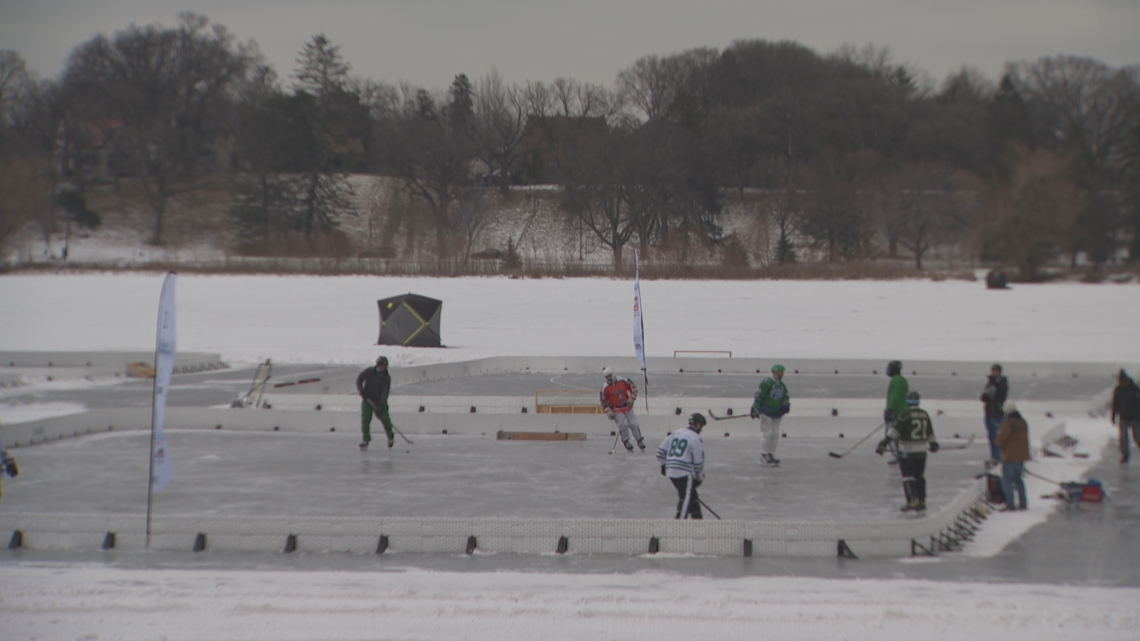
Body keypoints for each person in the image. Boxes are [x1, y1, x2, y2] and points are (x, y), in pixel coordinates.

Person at [876, 391, 939, 512]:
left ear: (907, 401)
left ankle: (911, 502)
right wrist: (933, 444)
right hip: (921, 452)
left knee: (907, 477)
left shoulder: (904, 415)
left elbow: (894, 432)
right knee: (919, 476)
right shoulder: (924, 414)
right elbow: (930, 433)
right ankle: (921, 501)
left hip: (907, 452)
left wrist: (883, 443)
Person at [656, 413, 706, 519]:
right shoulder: (695, 438)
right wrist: (699, 478)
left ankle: (698, 520)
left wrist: (663, 466)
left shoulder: (676, 432)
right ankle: (679, 524)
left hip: (671, 471)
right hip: (684, 473)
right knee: (685, 500)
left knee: (692, 496)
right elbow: (698, 463)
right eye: (701, 425)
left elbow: (660, 452)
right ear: (697, 425)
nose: (701, 428)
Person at [750, 364, 791, 466]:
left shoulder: (781, 385)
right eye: (779, 372)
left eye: (782, 372)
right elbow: (759, 395)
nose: (781, 374)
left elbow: (785, 396)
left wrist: (785, 405)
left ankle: (771, 454)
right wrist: (755, 407)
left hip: (776, 413)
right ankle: (764, 454)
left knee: (775, 433)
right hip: (766, 411)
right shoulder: (767, 382)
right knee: (768, 433)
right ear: (774, 373)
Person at [994, 400, 1029, 511]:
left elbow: (1000, 440)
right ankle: (1023, 503)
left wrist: (997, 438)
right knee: (1019, 479)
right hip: (1021, 457)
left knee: (1007, 480)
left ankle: (1010, 504)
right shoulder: (1023, 422)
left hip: (1009, 457)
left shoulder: (1008, 423)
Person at [599, 367, 645, 452]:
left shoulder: (623, 380)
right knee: (623, 425)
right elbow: (603, 399)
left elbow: (633, 387)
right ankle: (626, 441)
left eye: (610, 376)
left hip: (627, 406)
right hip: (616, 409)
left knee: (633, 423)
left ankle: (639, 440)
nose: (609, 378)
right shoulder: (605, 387)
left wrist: (632, 397)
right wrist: (607, 410)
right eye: (607, 377)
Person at [356, 356, 396, 450]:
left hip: (379, 402)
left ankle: (390, 437)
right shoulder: (369, 372)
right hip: (368, 400)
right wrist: (362, 391)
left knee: (386, 420)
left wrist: (382, 403)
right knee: (366, 419)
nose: (383, 368)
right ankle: (366, 440)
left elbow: (385, 391)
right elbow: (359, 380)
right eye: (382, 366)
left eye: (385, 366)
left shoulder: (386, 377)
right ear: (378, 365)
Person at [981, 364, 1009, 465]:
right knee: (991, 436)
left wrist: (994, 389)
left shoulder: (1002, 382)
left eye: (996, 371)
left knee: (998, 436)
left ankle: (998, 456)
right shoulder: (990, 383)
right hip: (989, 413)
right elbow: (984, 397)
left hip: (998, 414)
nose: (995, 373)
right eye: (993, 371)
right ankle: (993, 456)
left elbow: (1002, 395)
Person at [883, 360, 909, 462]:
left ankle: (899, 455)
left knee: (891, 434)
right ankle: (903, 454)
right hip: (903, 411)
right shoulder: (903, 380)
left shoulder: (895, 381)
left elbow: (894, 396)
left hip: (896, 412)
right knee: (900, 435)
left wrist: (889, 410)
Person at [1112, 370, 1140, 463]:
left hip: (1134, 417)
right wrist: (1113, 415)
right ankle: (1125, 455)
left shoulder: (1134, 388)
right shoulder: (1118, 390)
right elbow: (1115, 404)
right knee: (1123, 438)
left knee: (1137, 437)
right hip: (1123, 417)